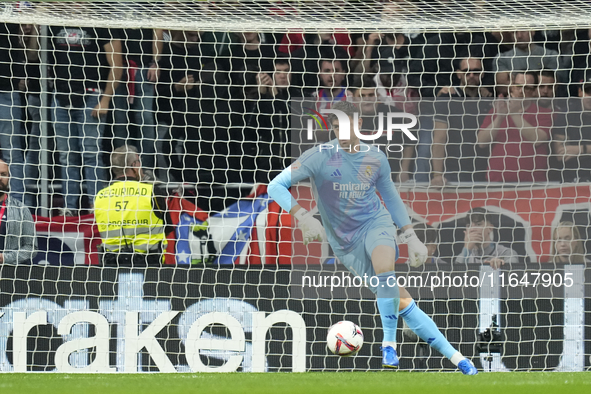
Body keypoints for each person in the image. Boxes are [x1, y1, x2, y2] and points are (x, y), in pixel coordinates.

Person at [268, 101, 478, 374]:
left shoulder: (375, 157)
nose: (340, 132)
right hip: (344, 243)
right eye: (335, 126)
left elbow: (390, 196)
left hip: (375, 224)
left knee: (385, 271)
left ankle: (388, 344)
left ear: (359, 125)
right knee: (401, 301)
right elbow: (276, 185)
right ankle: (458, 359)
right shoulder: (318, 156)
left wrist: (410, 236)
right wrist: (302, 216)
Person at [49, 25, 123, 216]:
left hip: (91, 95)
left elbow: (117, 64)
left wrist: (105, 99)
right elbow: (37, 55)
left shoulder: (99, 21)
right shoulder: (54, 20)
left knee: (91, 154)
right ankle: (69, 208)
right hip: (61, 95)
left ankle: (96, 206)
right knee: (66, 156)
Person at [94, 145, 171, 266]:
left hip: (112, 266)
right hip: (150, 265)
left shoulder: (100, 196)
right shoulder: (151, 191)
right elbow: (168, 226)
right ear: (134, 165)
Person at [477, 71, 553, 183]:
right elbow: (481, 142)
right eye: (518, 86)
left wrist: (513, 114)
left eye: (527, 88)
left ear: (534, 91)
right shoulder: (496, 111)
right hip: (497, 181)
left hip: (533, 183)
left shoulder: (544, 113)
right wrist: (500, 118)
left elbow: (538, 139)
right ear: (512, 87)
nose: (522, 91)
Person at [431, 57, 493, 186]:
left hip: (484, 171)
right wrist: (437, 175)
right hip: (454, 171)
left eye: (476, 72)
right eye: (467, 71)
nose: (471, 75)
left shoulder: (488, 99)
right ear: (459, 74)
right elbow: (439, 139)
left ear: (482, 74)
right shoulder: (446, 98)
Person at [454, 208, 519, 269]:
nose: (472, 229)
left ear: (490, 228)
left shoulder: (506, 253)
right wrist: (466, 248)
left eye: (478, 224)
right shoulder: (464, 256)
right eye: (469, 226)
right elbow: (455, 276)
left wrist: (501, 265)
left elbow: (512, 270)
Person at [0, 158, 37, 264]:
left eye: (3, 174)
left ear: (8, 177)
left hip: (12, 275)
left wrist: (5, 258)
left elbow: (31, 247)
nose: (0, 178)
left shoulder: (21, 209)